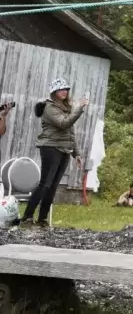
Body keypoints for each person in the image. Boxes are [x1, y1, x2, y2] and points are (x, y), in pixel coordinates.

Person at [20, 79, 87, 227]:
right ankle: (27, 218)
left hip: (64, 149)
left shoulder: (65, 107)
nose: (64, 91)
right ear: (54, 92)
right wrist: (79, 108)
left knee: (53, 186)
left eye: (66, 89)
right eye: (61, 89)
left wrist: (76, 154)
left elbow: (70, 132)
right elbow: (64, 124)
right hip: (51, 148)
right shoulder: (49, 108)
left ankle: (42, 220)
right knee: (45, 184)